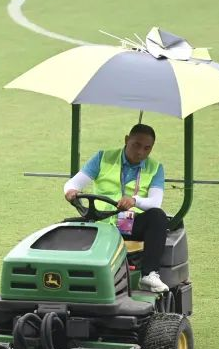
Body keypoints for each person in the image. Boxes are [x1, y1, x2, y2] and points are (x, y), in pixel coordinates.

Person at [63, 123, 170, 293]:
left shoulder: (155, 168)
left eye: (147, 148)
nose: (141, 152)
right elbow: (73, 183)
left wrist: (134, 201)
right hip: (99, 221)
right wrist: (70, 191)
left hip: (129, 225)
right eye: (136, 145)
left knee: (157, 216)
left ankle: (149, 274)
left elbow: (155, 202)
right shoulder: (103, 157)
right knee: (62, 228)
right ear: (127, 140)